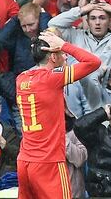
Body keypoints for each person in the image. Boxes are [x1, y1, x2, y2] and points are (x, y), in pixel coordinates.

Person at [16, 30, 102, 199]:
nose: (66, 56)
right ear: (53, 57)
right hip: (49, 162)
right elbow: (94, 62)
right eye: (62, 53)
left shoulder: (21, 78)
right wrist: (64, 44)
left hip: (25, 160)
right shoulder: (52, 78)